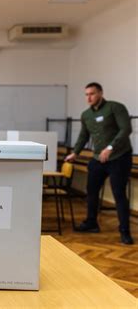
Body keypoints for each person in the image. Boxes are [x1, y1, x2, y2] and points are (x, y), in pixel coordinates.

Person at [65, 82, 133, 245]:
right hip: (98, 158)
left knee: (119, 193)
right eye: (86, 94)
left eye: (92, 94)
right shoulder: (86, 115)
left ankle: (125, 231)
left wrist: (110, 148)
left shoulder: (115, 108)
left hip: (119, 156)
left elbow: (126, 129)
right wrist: (75, 152)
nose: (89, 97)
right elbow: (83, 136)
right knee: (91, 191)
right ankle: (91, 222)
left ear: (100, 93)